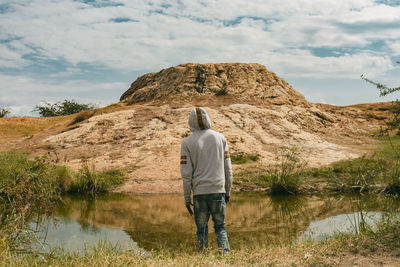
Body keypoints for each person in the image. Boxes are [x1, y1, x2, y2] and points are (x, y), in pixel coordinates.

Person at [180, 107, 233, 254]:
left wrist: (186, 198)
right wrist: (227, 191)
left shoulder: (187, 143)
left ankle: (202, 257)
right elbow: (228, 169)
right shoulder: (220, 138)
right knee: (220, 226)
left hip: (199, 192)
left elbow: (186, 174)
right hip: (218, 190)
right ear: (208, 118)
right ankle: (225, 256)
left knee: (201, 229)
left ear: (190, 122)